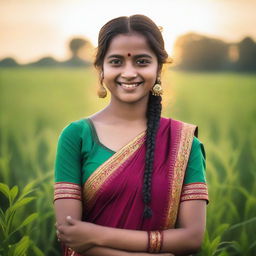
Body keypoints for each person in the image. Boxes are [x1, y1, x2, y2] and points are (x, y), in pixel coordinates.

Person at [54, 14, 209, 256]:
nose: (129, 72)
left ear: (158, 69)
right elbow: (70, 233)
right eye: (116, 62)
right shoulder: (77, 136)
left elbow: (191, 237)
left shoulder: (184, 142)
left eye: (142, 61)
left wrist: (96, 234)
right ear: (100, 69)